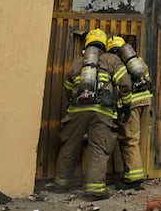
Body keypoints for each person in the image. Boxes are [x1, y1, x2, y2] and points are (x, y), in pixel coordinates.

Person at [53, 28, 131, 200]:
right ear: (104, 43)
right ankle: (94, 189)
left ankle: (61, 183)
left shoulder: (77, 62)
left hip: (77, 110)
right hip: (102, 111)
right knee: (98, 149)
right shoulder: (111, 60)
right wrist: (125, 105)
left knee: (69, 146)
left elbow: (68, 90)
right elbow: (125, 83)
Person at [107, 35, 153, 189]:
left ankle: (133, 179)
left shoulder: (118, 64)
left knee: (130, 139)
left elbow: (121, 87)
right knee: (141, 139)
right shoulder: (138, 61)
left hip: (131, 105)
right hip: (146, 102)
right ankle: (140, 172)